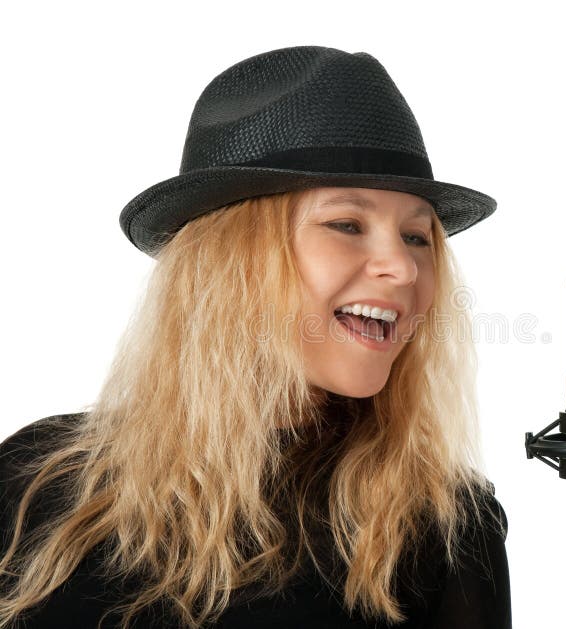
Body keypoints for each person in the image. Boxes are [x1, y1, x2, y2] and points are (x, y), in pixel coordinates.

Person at [0, 46, 510, 629]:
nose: (403, 267)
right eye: (346, 224)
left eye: (418, 237)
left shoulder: (440, 527)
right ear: (229, 263)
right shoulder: (36, 481)